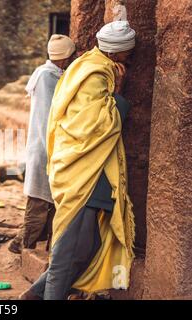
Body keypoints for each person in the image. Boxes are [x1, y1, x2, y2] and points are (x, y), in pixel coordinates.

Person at [21, 21, 136, 300]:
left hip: (89, 170)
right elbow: (94, 126)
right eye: (128, 53)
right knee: (71, 249)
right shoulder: (96, 74)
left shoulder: (87, 64)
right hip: (83, 172)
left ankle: (35, 294)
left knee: (90, 244)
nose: (129, 58)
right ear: (116, 53)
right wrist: (119, 96)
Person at [9, 35, 76, 254]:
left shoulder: (48, 73)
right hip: (45, 146)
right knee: (38, 202)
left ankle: (32, 242)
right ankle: (22, 244)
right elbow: (52, 115)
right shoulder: (48, 78)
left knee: (48, 201)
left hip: (44, 145)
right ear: (65, 58)